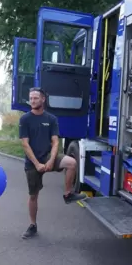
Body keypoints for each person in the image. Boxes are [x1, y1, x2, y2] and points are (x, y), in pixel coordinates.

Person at [19, 87, 87, 239]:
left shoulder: (51, 119)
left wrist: (50, 160)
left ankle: (67, 194)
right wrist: (37, 164)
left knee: (71, 163)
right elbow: (25, 144)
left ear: (43, 99)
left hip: (47, 157)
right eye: (30, 98)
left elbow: (55, 142)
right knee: (33, 196)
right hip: (32, 163)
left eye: (35, 98)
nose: (32, 101)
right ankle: (32, 225)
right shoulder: (25, 119)